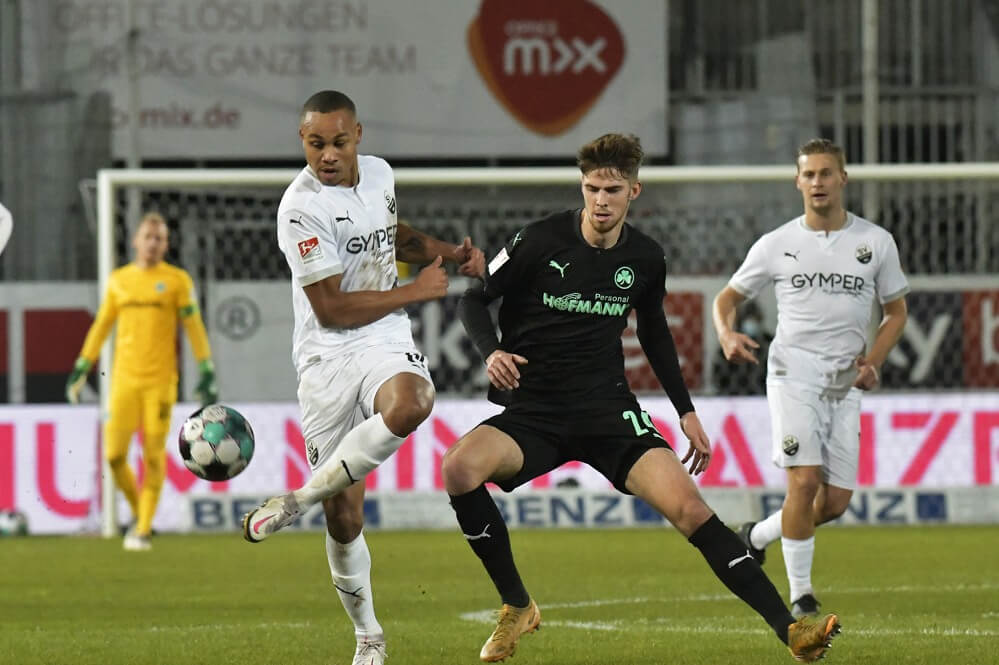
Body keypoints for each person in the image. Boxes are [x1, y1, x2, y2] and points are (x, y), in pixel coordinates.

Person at [443, 133, 841, 664]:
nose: (600, 201)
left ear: (634, 190)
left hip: (608, 411)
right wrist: (491, 351)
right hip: (535, 411)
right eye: (591, 188)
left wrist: (686, 411)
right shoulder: (538, 240)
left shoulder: (647, 258)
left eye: (612, 190)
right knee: (458, 469)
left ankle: (791, 631)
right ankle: (517, 605)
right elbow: (473, 300)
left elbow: (654, 334)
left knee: (691, 510)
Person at [239, 90, 485, 665]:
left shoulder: (379, 174)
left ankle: (299, 497)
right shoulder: (299, 209)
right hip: (326, 357)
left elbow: (391, 235)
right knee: (345, 517)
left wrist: (450, 253)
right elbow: (330, 309)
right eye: (315, 144)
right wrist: (416, 292)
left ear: (358, 136)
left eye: (338, 142)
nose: (327, 154)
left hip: (383, 338)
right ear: (302, 141)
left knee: (413, 401)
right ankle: (368, 635)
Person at [713, 138, 909, 619]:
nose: (817, 182)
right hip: (792, 375)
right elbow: (726, 299)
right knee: (803, 482)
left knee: (834, 503)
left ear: (843, 178)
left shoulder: (875, 242)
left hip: (845, 383)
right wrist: (726, 333)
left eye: (826, 173)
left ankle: (756, 535)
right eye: (809, 174)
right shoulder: (777, 243)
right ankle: (801, 599)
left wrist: (873, 361)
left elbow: (896, 312)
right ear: (798, 181)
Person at [66, 211, 218, 551]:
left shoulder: (177, 281)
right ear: (136, 241)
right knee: (114, 456)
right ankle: (140, 513)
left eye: (159, 238)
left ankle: (144, 529)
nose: (152, 243)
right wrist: (82, 364)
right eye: (148, 237)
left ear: (166, 245)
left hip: (160, 383)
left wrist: (206, 368)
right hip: (124, 382)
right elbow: (102, 324)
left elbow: (194, 327)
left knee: (152, 456)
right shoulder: (119, 281)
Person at [711, 300, 771, 395]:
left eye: (754, 318)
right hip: (733, 396)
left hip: (762, 395)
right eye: (747, 317)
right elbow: (718, 377)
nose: (751, 322)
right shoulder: (730, 344)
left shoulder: (769, 342)